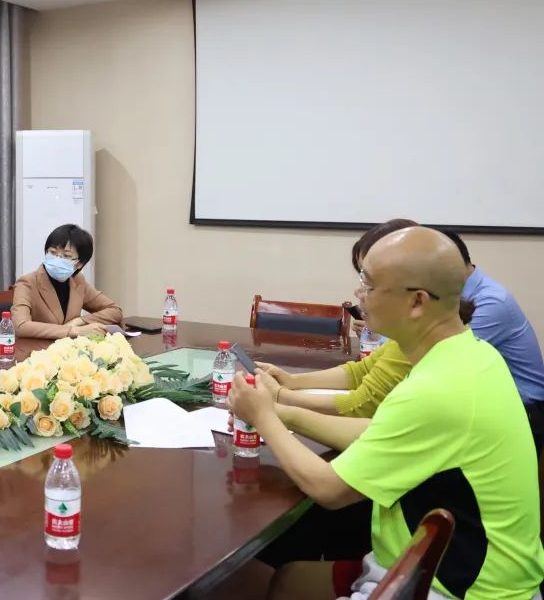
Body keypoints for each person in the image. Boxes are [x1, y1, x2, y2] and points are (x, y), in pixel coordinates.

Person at [231, 227, 544, 599]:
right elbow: (379, 430)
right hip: (428, 564)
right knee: (289, 578)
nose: (358, 294)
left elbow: (328, 489)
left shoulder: (437, 388)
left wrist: (264, 418)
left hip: (459, 589)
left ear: (417, 302)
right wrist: (284, 413)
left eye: (369, 284)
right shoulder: (469, 354)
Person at [261, 219, 417, 418]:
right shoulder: (407, 335)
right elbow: (361, 371)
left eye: (370, 281)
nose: (359, 291)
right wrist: (292, 381)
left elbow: (363, 404)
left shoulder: (422, 340)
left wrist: (280, 397)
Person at [439, 229, 544, 450]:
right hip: (492, 402)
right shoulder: (453, 294)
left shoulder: (490, 301)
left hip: (525, 409)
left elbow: (443, 356)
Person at [11, 224, 122, 339]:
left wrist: (79, 321)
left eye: (66, 256)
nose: (57, 259)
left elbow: (115, 311)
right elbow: (20, 326)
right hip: (36, 348)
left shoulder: (78, 281)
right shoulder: (27, 283)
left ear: (79, 264)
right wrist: (74, 330)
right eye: (53, 252)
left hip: (69, 348)